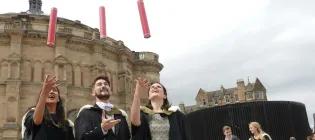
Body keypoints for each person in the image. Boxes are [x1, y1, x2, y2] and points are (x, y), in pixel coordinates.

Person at [75, 76, 130, 140]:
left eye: (106, 84)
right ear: (93, 93)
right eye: (99, 84)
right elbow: (80, 138)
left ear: (110, 91)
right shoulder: (86, 113)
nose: (103, 86)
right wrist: (102, 129)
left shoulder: (120, 115)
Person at [23, 75, 75, 140]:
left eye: (54, 90)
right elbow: (36, 121)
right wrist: (44, 93)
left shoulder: (66, 124)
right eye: (48, 91)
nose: (51, 92)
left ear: (58, 98)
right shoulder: (32, 113)